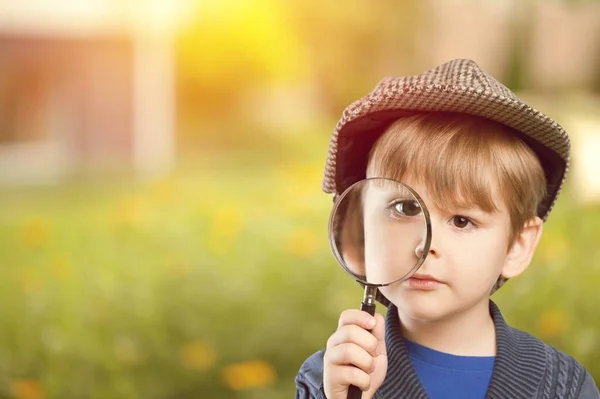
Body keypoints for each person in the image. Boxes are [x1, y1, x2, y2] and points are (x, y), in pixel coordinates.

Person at [295, 59, 600, 399]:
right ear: (360, 227)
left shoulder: (565, 387)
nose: (425, 247)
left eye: (461, 220)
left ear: (517, 246)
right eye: (404, 208)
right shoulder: (329, 379)